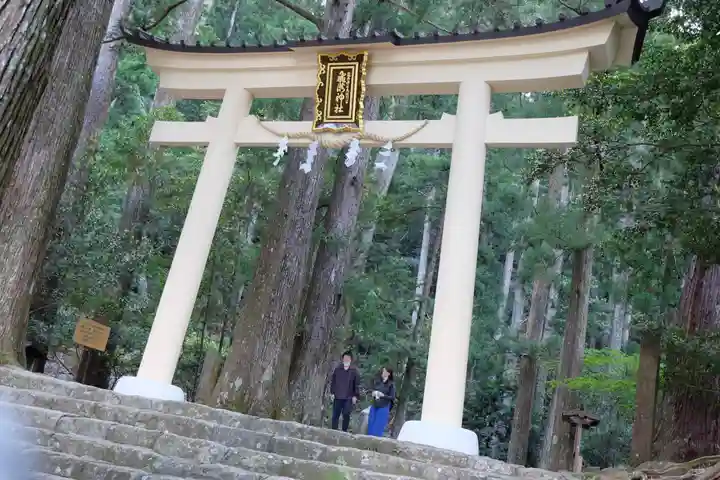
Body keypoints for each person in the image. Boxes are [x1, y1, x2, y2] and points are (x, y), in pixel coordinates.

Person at [330, 352, 359, 432]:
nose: (346, 360)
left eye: (348, 358)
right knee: (335, 414)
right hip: (338, 395)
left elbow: (356, 384)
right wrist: (332, 393)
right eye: (344, 358)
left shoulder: (354, 371)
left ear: (350, 360)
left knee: (346, 414)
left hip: (348, 397)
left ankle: (344, 431)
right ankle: (333, 430)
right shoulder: (338, 369)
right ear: (342, 359)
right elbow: (333, 382)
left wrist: (355, 396)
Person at [367, 367, 395, 437]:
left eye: (385, 371)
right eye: (383, 371)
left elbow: (392, 397)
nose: (383, 372)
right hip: (375, 405)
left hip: (383, 407)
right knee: (371, 423)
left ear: (389, 373)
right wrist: (373, 393)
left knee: (378, 426)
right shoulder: (378, 381)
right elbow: (371, 390)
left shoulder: (391, 384)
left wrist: (383, 395)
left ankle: (375, 444)